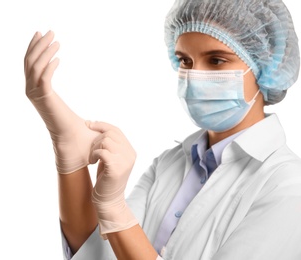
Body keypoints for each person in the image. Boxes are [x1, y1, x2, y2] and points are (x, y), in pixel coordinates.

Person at [24, 0, 301, 259]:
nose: (195, 76)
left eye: (216, 60)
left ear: (267, 64)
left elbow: (119, 228)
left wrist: (115, 211)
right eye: (185, 60)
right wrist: (69, 157)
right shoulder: (169, 163)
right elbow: (99, 253)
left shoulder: (287, 185)